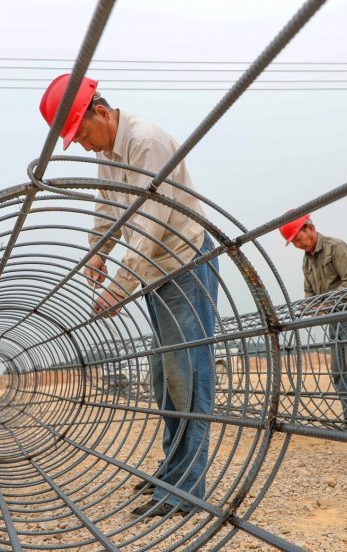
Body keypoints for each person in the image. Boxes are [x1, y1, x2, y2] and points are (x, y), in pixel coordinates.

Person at [39, 74, 218, 517]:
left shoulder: (144, 142)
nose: (81, 144)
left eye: (80, 132)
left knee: (187, 375)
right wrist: (96, 255)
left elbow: (148, 226)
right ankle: (172, 470)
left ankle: (188, 487)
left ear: (101, 112)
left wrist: (117, 288)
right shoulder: (108, 151)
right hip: (156, 272)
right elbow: (108, 207)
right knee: (163, 377)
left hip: (183, 263)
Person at [279, 213, 347, 426]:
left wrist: (326, 304)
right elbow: (309, 291)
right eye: (293, 242)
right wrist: (308, 306)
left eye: (297, 238)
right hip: (334, 318)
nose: (297, 244)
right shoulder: (307, 260)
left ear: (309, 228)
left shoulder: (336, 248)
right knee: (339, 370)